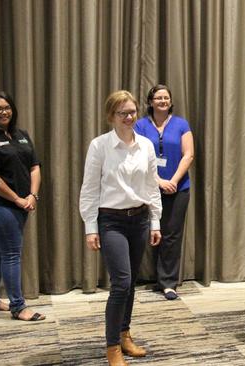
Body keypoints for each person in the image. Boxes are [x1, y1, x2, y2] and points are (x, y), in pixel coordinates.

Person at [79, 90, 162, 365]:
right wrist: (91, 227)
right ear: (111, 116)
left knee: (131, 283)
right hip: (111, 220)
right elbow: (89, 189)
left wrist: (155, 221)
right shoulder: (99, 146)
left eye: (132, 112)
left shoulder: (146, 146)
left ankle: (125, 334)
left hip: (139, 219)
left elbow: (152, 186)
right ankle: (112, 345)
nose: (129, 117)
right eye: (122, 113)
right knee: (121, 283)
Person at [0, 91, 45, 321]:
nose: (3, 111)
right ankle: (18, 307)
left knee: (0, 248)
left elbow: (34, 166)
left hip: (24, 203)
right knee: (11, 253)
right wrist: (17, 199)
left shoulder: (22, 134)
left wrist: (32, 195)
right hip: (0, 206)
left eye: (6, 107)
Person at [134, 85, 194, 300]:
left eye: (166, 97)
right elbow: (138, 156)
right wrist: (159, 181)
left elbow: (188, 155)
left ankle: (168, 282)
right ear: (150, 102)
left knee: (171, 235)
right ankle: (132, 277)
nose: (162, 101)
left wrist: (173, 181)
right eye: (158, 98)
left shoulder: (181, 124)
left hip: (179, 188)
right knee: (143, 232)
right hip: (148, 187)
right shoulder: (140, 125)